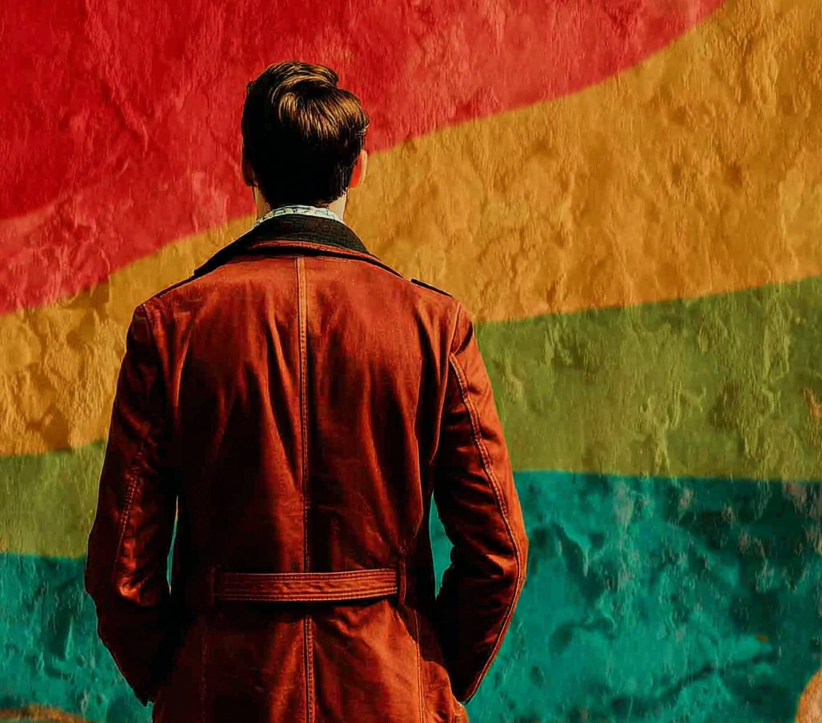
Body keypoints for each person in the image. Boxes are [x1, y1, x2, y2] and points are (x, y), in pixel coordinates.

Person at [85, 61, 528, 723]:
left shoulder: (172, 327)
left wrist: (182, 676)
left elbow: (122, 568)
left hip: (224, 697)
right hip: (390, 697)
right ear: (358, 170)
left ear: (246, 166)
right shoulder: (433, 327)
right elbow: (499, 553)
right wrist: (424, 672)